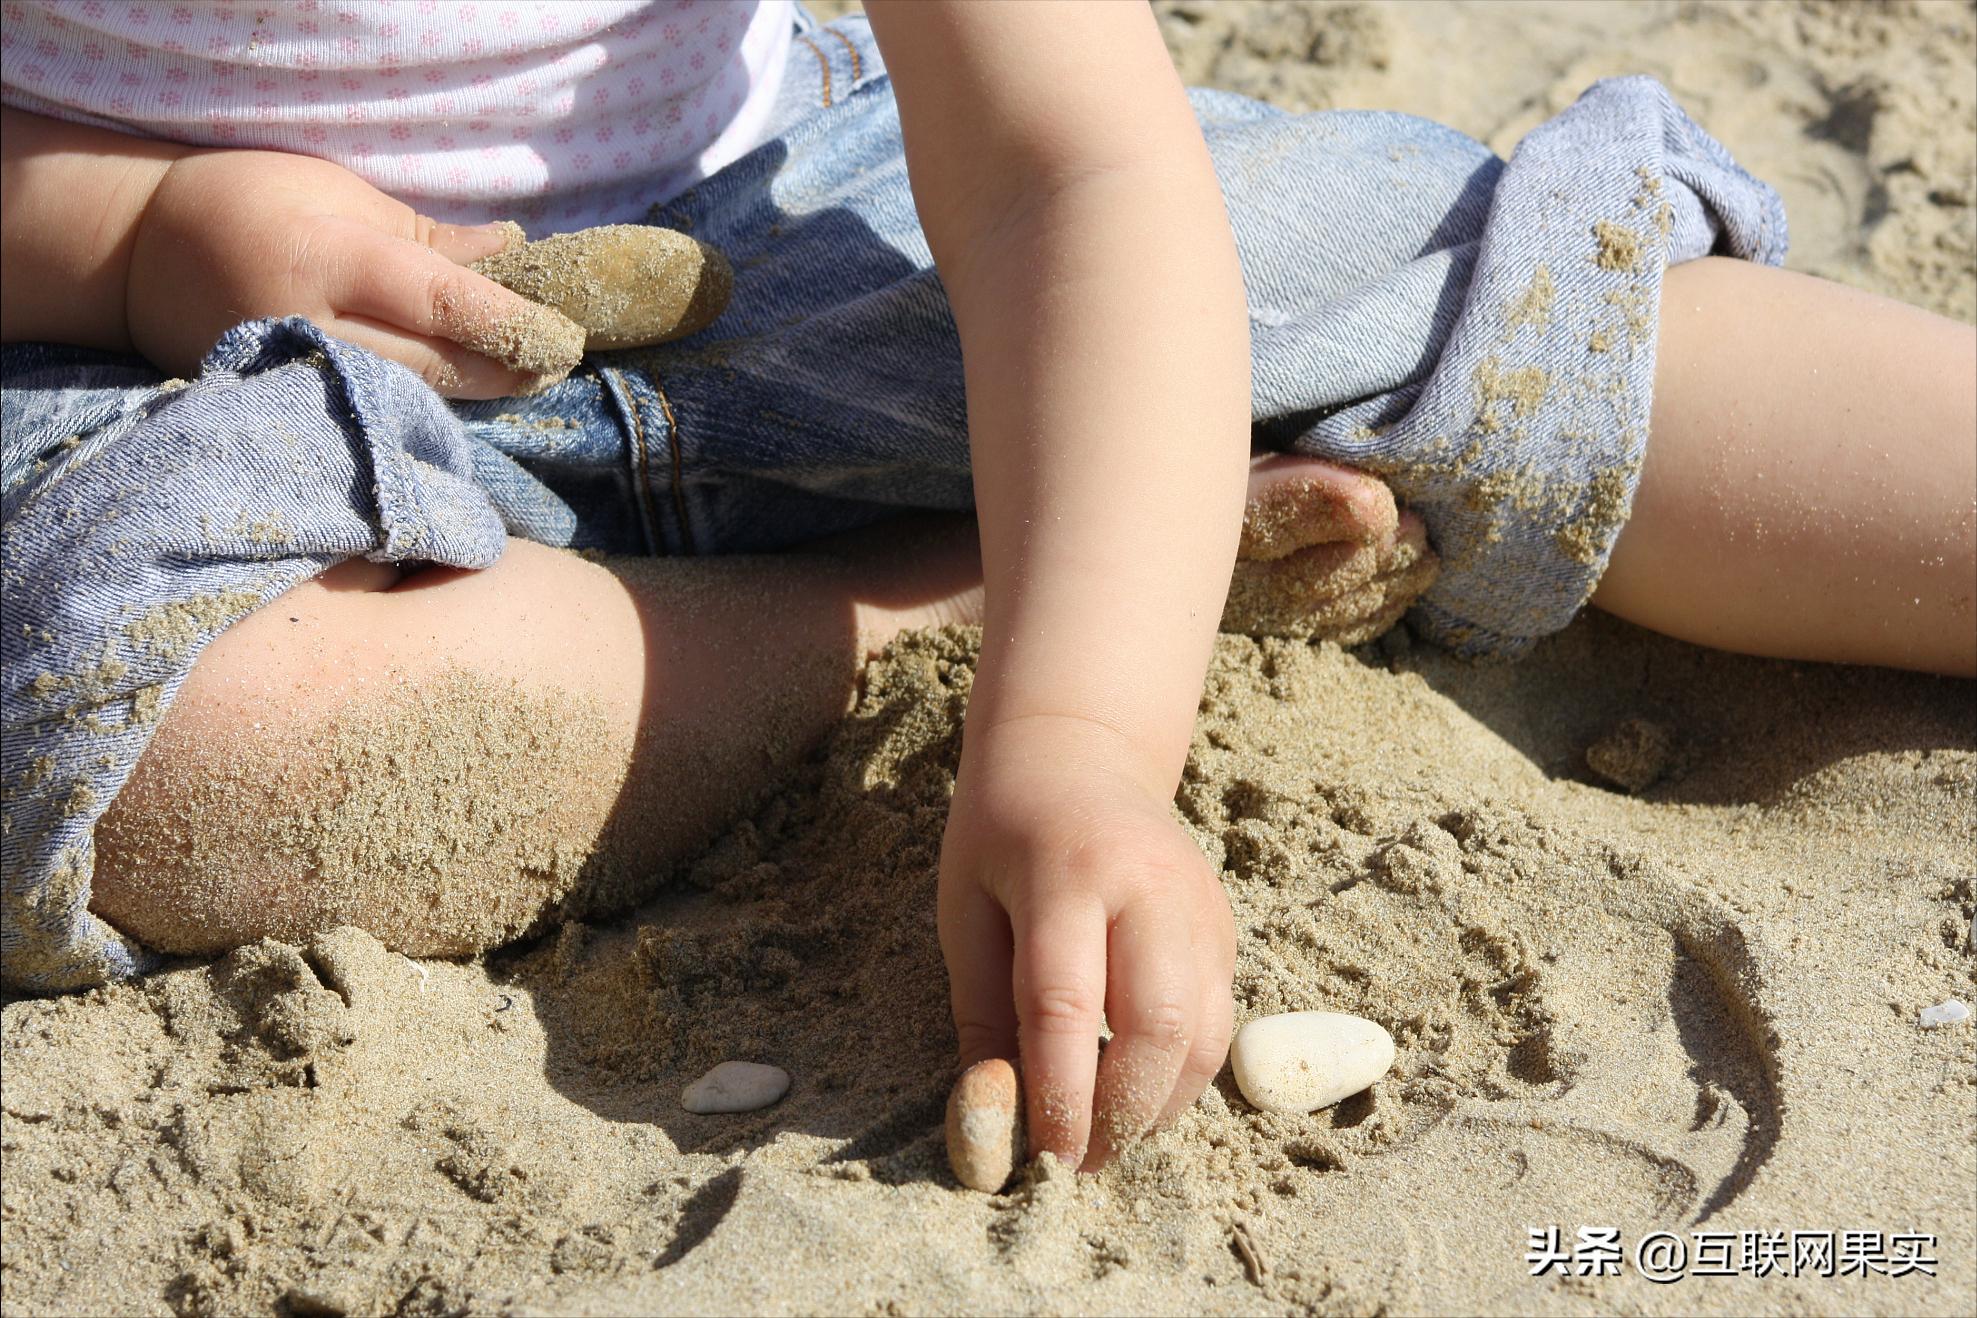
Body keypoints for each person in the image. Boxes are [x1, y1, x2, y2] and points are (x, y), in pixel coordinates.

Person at [1, 0, 1969, 1180]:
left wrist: (1080, 752)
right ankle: (919, 605)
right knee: (167, 727)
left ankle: (1091, 555)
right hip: (197, 372)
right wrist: (132, 229)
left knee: (1495, 312)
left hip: (833, 207)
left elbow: (1068, 175)